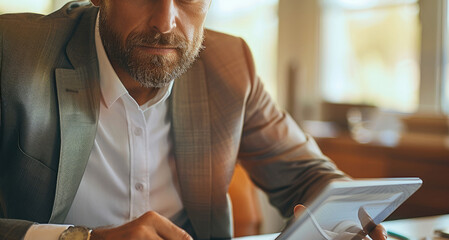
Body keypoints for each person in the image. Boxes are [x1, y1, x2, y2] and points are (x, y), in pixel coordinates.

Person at [0, 0, 387, 239]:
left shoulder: (231, 66)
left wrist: (351, 225)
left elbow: (309, 175)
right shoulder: (12, 53)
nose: (165, 22)